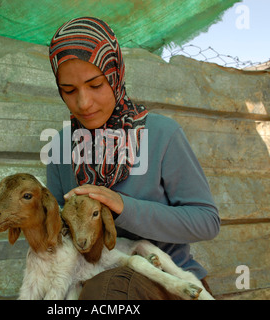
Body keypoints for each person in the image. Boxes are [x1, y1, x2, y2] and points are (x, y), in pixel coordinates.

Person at [46, 17, 220, 299]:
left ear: (114, 74)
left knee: (105, 293)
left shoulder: (162, 134)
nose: (83, 103)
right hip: (92, 277)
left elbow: (207, 221)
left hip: (168, 282)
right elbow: (58, 233)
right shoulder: (62, 147)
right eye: (69, 90)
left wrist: (124, 208)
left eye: (95, 85)